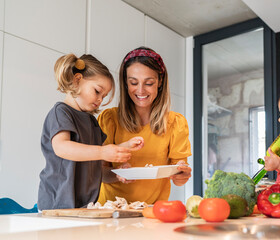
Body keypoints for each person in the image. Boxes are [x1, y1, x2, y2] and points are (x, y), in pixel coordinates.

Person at [38, 53, 144, 210]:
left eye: (104, 96)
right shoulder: (61, 112)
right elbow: (61, 147)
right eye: (97, 91)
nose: (100, 100)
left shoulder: (92, 122)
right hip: (56, 205)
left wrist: (117, 171)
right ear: (77, 80)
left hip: (84, 207)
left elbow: (98, 169)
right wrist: (103, 152)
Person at [97, 47, 192, 204]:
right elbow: (98, 172)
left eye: (149, 83)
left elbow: (179, 180)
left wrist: (182, 173)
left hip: (152, 211)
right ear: (125, 83)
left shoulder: (176, 123)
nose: (140, 90)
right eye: (133, 82)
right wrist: (118, 174)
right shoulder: (110, 119)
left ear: (160, 82)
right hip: (111, 209)